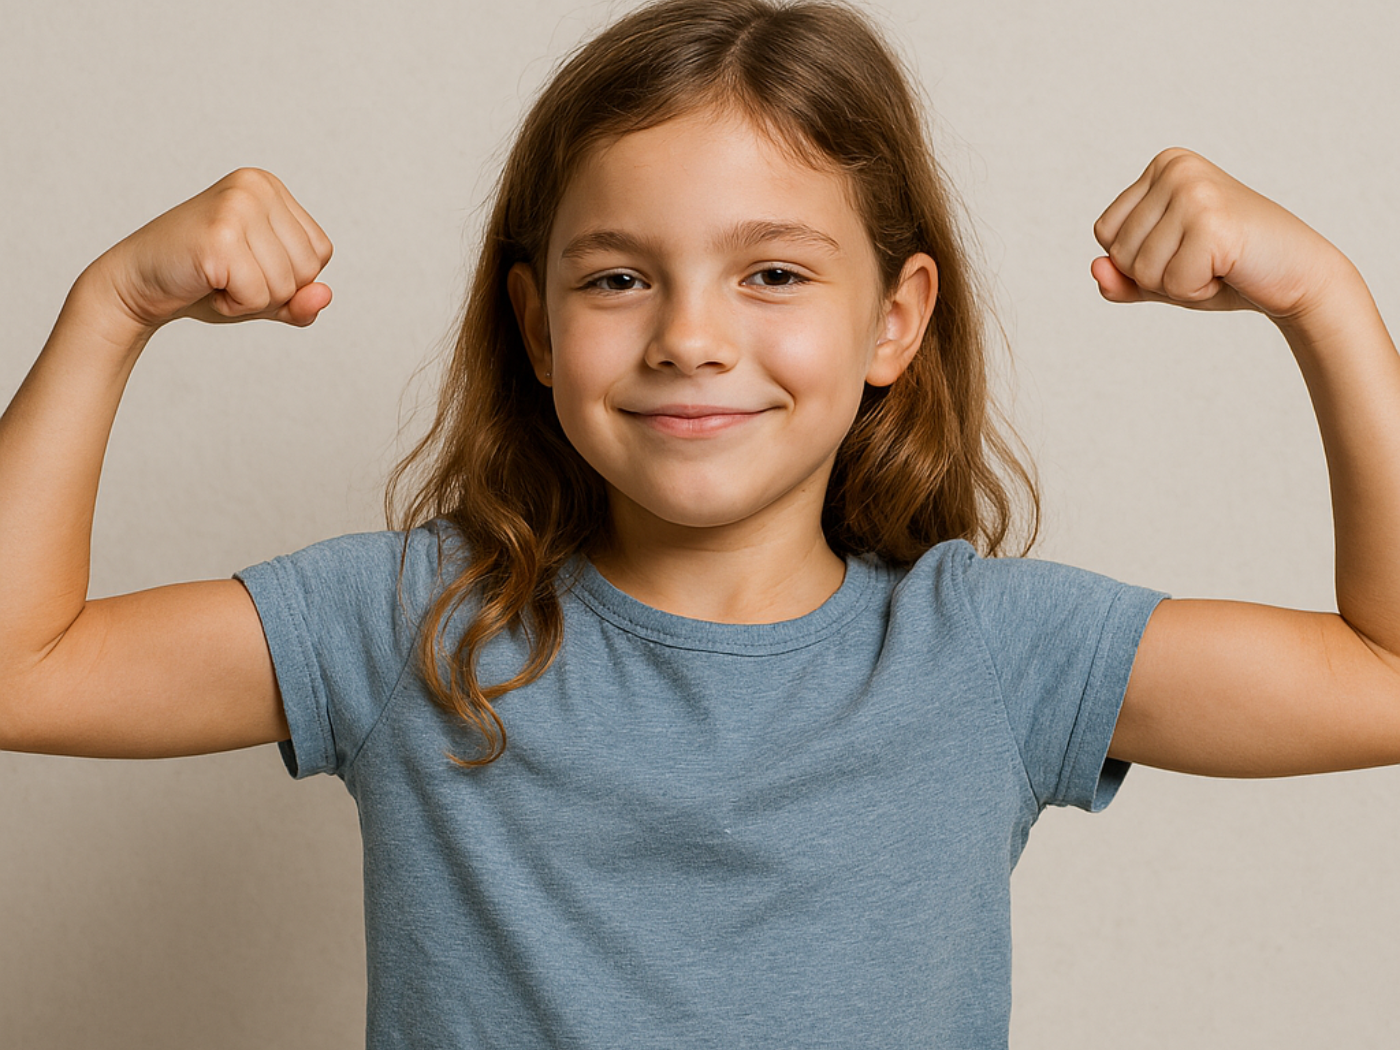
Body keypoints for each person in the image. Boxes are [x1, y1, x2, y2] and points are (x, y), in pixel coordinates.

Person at [2, 0, 1398, 1045]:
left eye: (773, 271)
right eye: (618, 278)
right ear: (535, 323)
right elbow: (23, 664)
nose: (690, 337)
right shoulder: (411, 623)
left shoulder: (990, 651)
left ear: (895, 319)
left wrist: (1324, 298)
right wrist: (112, 306)